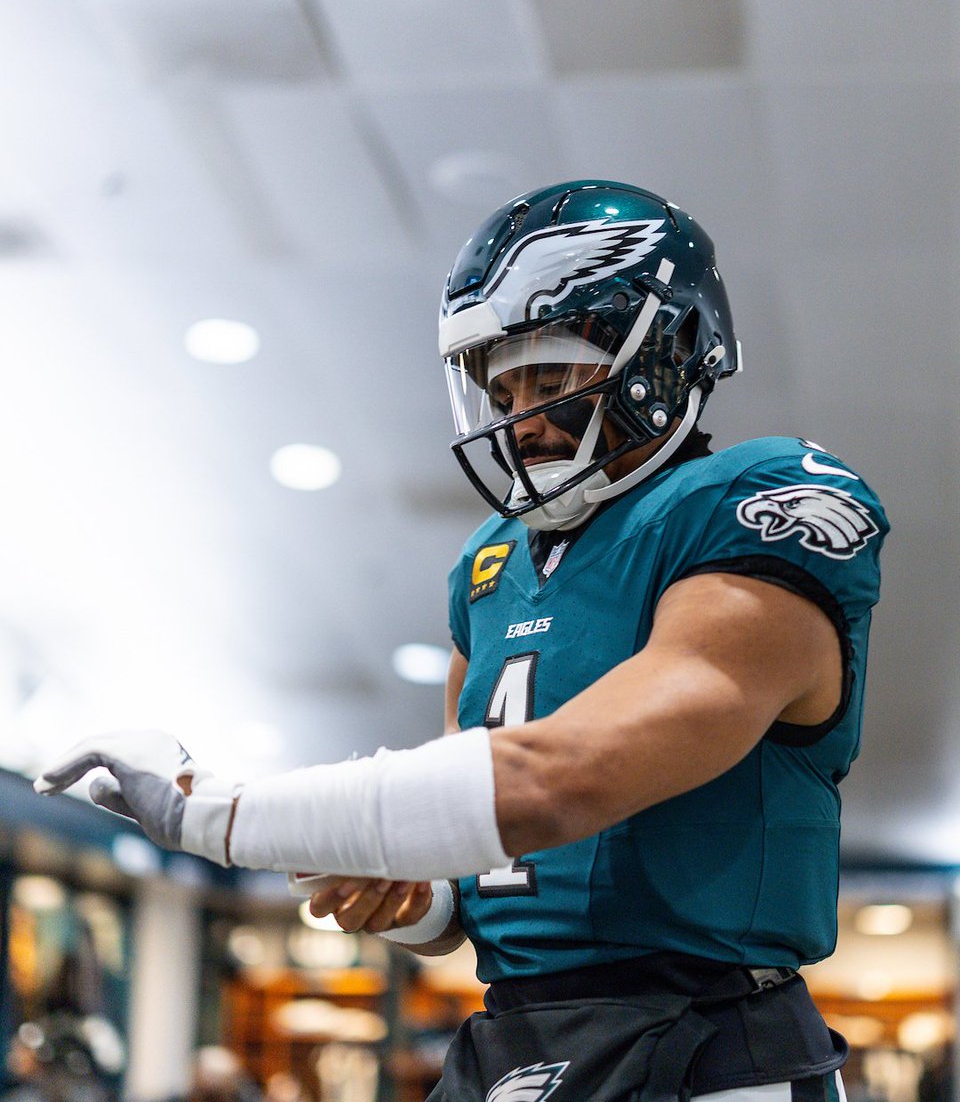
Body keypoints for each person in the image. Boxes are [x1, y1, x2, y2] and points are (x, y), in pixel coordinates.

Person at [37, 181, 888, 1102]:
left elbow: (563, 779)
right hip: (512, 1034)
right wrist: (417, 896)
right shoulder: (489, 567)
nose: (521, 417)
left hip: (710, 1042)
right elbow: (485, 853)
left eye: (553, 375)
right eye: (502, 384)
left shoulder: (755, 502)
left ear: (670, 349)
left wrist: (216, 814)